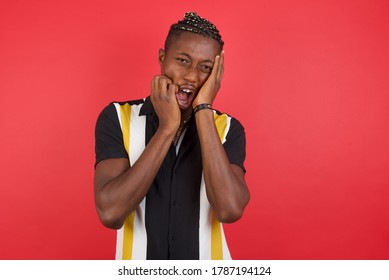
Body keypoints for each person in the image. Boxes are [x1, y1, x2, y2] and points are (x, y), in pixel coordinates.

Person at [94, 12, 250, 260]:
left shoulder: (227, 128)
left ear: (216, 76)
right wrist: (167, 128)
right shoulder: (118, 117)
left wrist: (203, 110)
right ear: (162, 57)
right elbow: (111, 213)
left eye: (206, 68)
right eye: (183, 60)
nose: (191, 76)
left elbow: (229, 209)